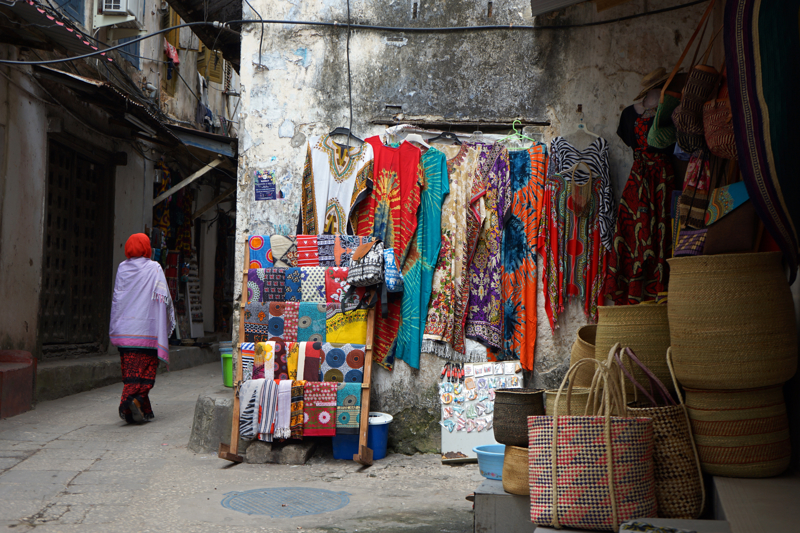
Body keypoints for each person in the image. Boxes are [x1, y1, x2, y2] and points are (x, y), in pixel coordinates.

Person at [109, 233, 175, 423]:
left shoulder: (122, 268)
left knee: (130, 371)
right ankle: (130, 400)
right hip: (147, 331)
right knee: (147, 370)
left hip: (125, 330)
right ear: (147, 249)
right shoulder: (154, 268)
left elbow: (119, 299)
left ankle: (139, 407)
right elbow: (164, 297)